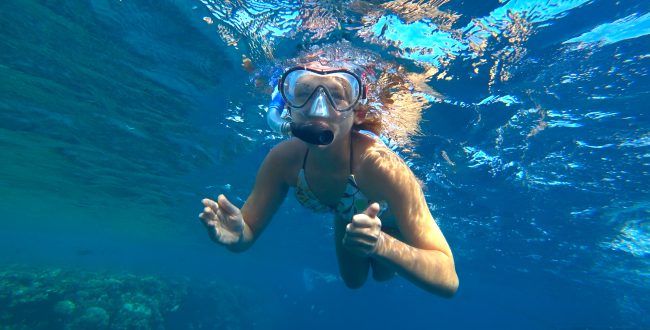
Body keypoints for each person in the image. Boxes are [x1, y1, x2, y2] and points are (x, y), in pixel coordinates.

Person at [198, 45, 459, 297]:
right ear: (287, 107)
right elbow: (248, 231)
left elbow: (448, 280)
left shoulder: (382, 167)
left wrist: (382, 244)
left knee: (382, 273)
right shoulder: (282, 161)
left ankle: (384, 247)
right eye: (304, 92)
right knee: (353, 282)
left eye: (337, 95)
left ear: (358, 113)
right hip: (348, 215)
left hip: (388, 222)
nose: (318, 108)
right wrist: (237, 236)